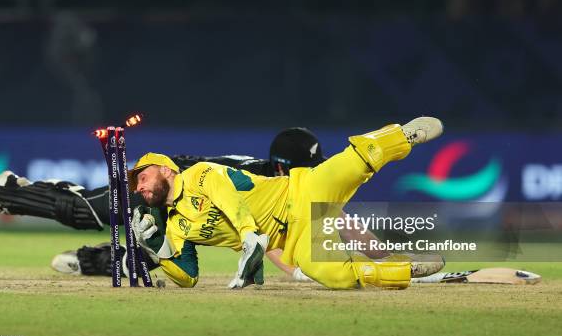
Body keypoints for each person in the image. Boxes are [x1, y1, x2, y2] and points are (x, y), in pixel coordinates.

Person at [0, 128, 326, 281]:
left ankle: (89, 260)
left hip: (181, 208)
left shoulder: (286, 186)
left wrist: (381, 257)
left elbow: (334, 223)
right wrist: (298, 271)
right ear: (284, 167)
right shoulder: (262, 181)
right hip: (164, 183)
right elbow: (267, 237)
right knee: (89, 211)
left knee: (160, 253)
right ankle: (10, 191)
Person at [127, 117, 444, 289]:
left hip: (302, 189)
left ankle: (403, 135)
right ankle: (401, 270)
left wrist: (250, 237)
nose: (138, 186)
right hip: (294, 237)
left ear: (166, 168)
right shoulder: (175, 227)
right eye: (135, 183)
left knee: (355, 161)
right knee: (332, 275)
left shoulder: (199, 173)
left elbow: (231, 204)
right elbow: (188, 279)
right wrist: (158, 248)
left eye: (142, 176)